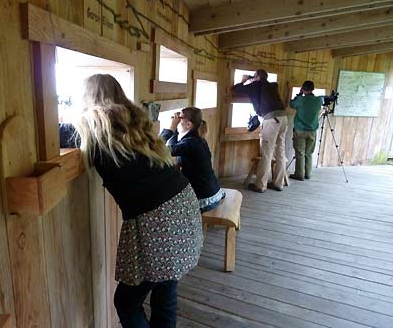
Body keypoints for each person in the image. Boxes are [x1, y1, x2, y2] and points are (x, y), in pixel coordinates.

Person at [59, 74, 203, 328]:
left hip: (156, 219)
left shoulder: (93, 124)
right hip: (183, 203)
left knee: (126, 303)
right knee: (165, 289)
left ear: (87, 98)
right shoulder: (136, 120)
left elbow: (59, 134)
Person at [232, 69, 288, 192]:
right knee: (280, 152)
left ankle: (261, 185)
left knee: (266, 154)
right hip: (283, 118)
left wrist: (244, 80)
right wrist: (254, 79)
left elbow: (235, 89)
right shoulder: (273, 85)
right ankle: (279, 184)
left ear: (256, 77)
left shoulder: (255, 85)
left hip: (271, 119)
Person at [161, 107, 225, 212]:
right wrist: (175, 129)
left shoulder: (190, 144)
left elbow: (159, 148)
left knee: (169, 207)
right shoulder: (197, 140)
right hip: (213, 191)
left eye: (180, 119)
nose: (177, 121)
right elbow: (175, 146)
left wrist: (171, 127)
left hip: (205, 198)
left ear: (188, 125)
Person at [289, 80, 323, 180]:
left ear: (303, 89)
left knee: (300, 153)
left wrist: (299, 94)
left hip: (300, 130)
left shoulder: (300, 100)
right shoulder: (318, 100)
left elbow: (291, 104)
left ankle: (299, 174)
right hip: (312, 131)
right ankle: (308, 173)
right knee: (309, 153)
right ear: (313, 89)